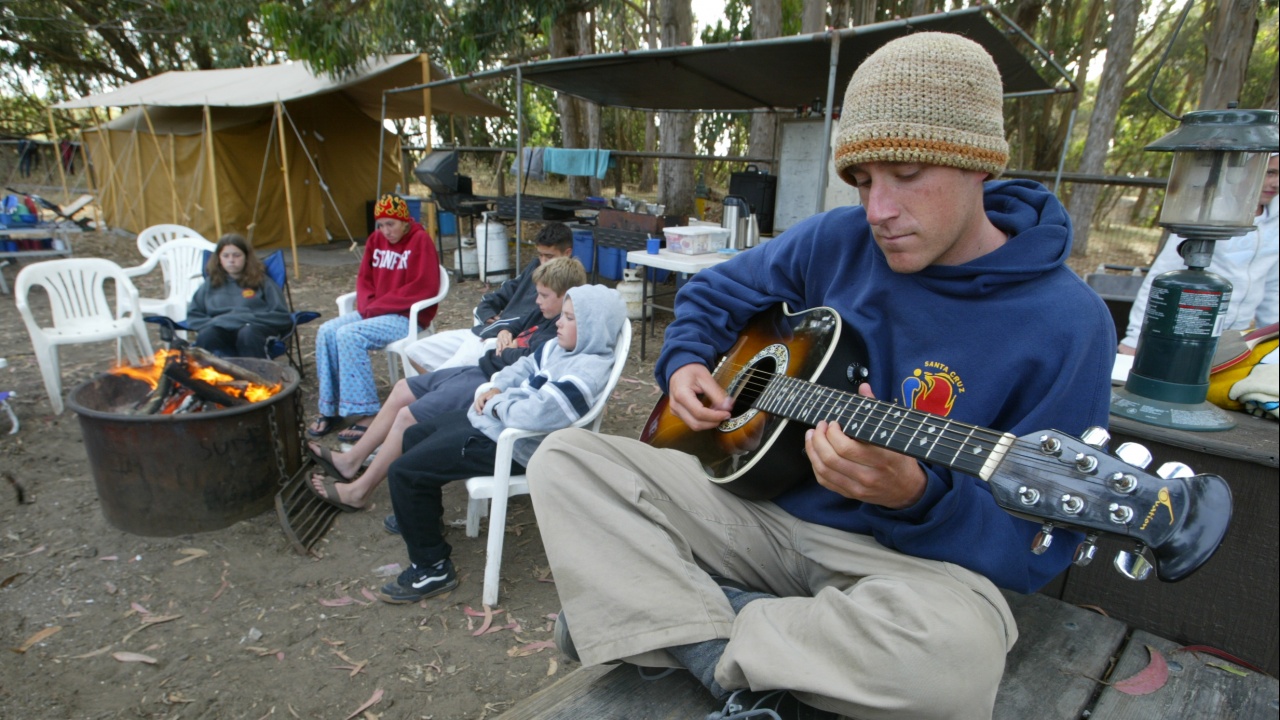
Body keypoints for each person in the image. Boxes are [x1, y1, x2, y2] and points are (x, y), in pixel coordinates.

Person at [525, 33, 1115, 720]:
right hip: (754, 515)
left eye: (905, 173)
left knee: (958, 658)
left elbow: (1037, 545)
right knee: (567, 459)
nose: (879, 211)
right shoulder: (837, 239)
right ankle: (738, 651)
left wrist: (917, 497)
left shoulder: (1068, 323)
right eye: (863, 182)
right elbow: (713, 297)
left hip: (906, 568)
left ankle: (671, 630)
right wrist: (685, 361)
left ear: (978, 164)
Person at [372, 285, 626, 604]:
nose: (559, 322)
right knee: (414, 434)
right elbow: (522, 368)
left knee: (404, 472)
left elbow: (535, 414)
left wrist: (495, 403)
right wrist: (495, 387)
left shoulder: (587, 372)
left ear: (593, 327)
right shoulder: (560, 349)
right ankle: (423, 518)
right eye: (562, 315)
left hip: (520, 448)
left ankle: (432, 568)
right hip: (495, 427)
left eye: (570, 318)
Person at [305, 256, 588, 512]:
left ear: (566, 297)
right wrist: (505, 331)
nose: (537, 300)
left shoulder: (561, 331)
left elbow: (527, 361)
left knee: (407, 416)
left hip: (488, 381)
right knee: (403, 387)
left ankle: (358, 491)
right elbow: (516, 323)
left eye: (543, 295)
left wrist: (507, 351)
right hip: (482, 366)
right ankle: (350, 460)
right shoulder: (546, 312)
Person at [307, 195, 441, 441]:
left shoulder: (420, 240)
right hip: (374, 312)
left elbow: (424, 286)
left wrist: (379, 307)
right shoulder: (375, 240)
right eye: (381, 225)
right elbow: (364, 280)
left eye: (391, 224)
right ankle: (331, 407)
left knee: (349, 334)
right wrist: (369, 305)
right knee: (326, 330)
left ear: (404, 221)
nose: (385, 231)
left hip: (404, 316)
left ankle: (366, 412)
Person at [1119, 152, 1280, 355]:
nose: (1275, 183)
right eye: (1270, 173)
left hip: (1235, 338)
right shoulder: (1207, 213)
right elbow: (1162, 274)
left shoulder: (1275, 222)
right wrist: (1135, 338)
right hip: (1191, 327)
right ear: (1243, 171)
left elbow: (1273, 287)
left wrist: (1273, 344)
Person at [403, 222, 574, 373]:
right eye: (540, 255)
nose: (543, 261)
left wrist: (504, 328)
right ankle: (441, 400)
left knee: (437, 380)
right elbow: (500, 294)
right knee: (414, 352)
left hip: (501, 343)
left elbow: (534, 325)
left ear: (567, 253)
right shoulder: (535, 267)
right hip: (484, 330)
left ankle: (438, 398)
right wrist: (487, 315)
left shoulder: (568, 286)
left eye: (549, 257)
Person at [183, 233, 293, 358]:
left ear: (246, 257)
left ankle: (255, 375)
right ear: (219, 259)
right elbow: (194, 316)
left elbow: (282, 316)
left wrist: (240, 319)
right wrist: (217, 322)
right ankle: (212, 376)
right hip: (220, 330)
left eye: (237, 255)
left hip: (254, 329)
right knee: (208, 334)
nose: (231, 260)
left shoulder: (263, 282)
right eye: (225, 256)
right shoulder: (210, 284)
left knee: (247, 333)